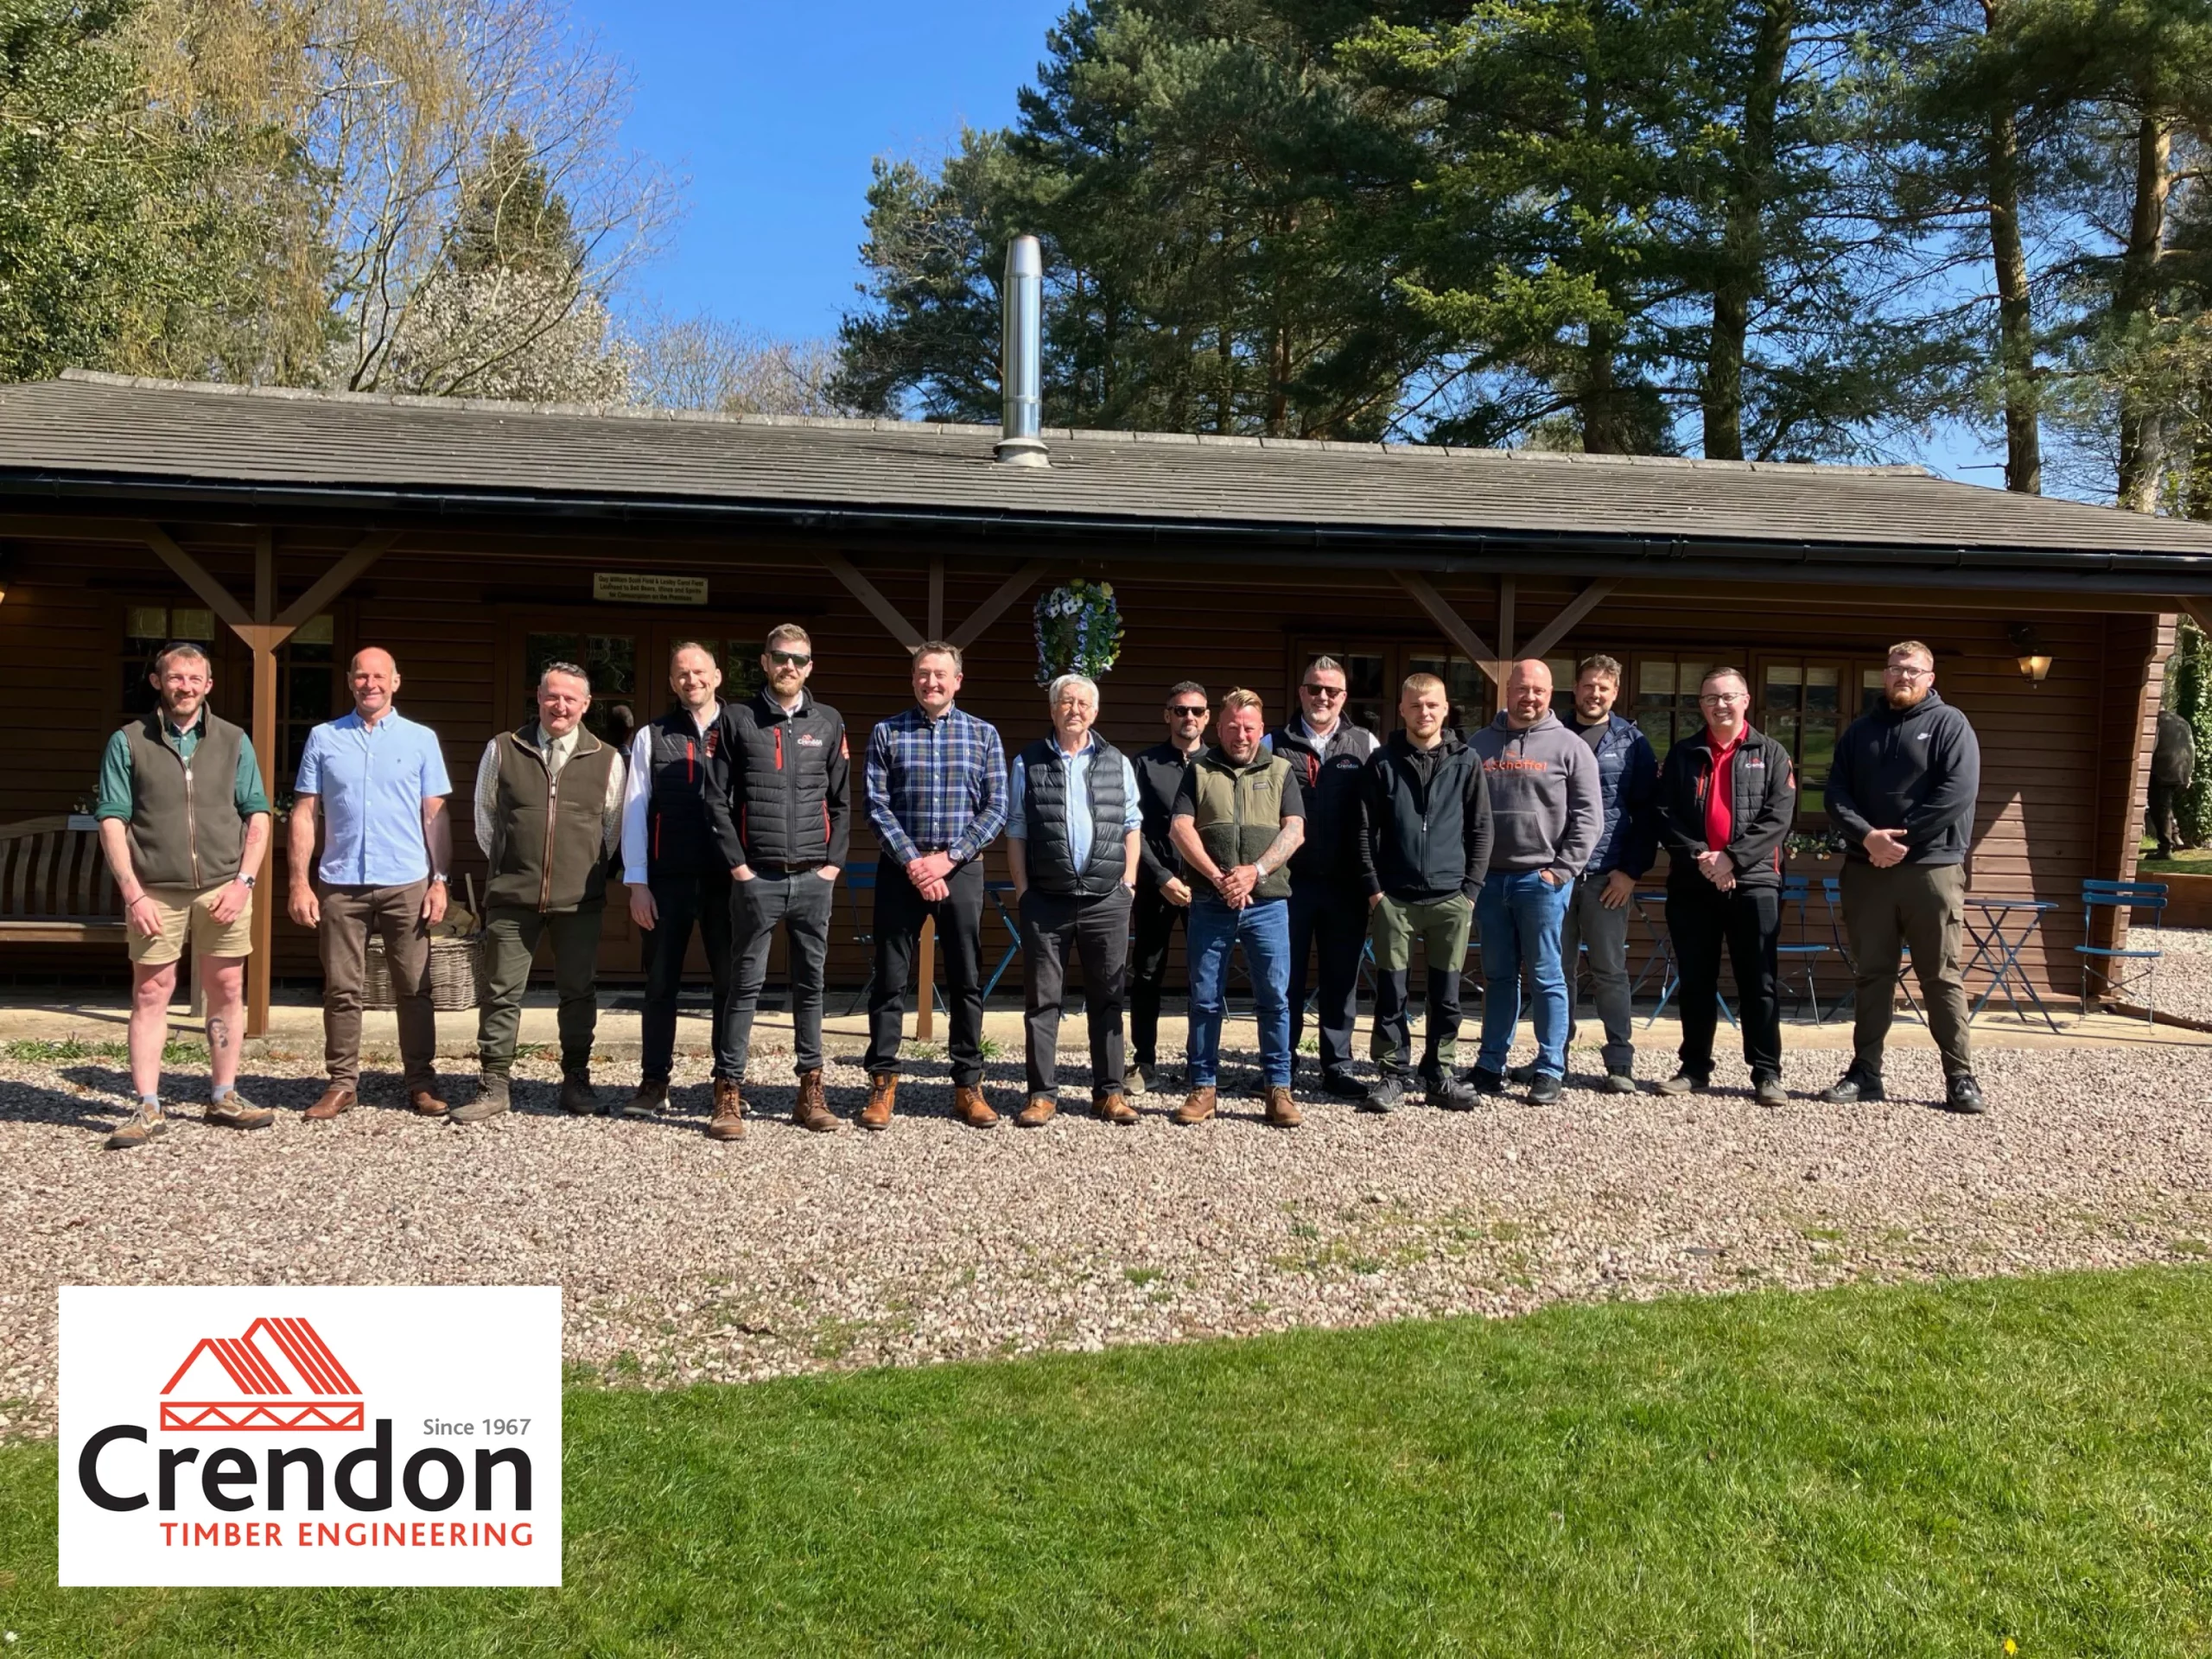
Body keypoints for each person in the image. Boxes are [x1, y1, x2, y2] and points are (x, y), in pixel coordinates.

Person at [93, 642, 276, 1148]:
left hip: (223, 886)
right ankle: (148, 1105)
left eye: (195, 678)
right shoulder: (128, 742)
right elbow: (112, 819)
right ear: (157, 681)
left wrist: (244, 883)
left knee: (226, 988)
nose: (185, 687)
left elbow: (256, 814)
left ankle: (223, 1094)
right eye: (176, 677)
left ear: (209, 685)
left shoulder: (234, 740)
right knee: (151, 992)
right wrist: (132, 893)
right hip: (154, 891)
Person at [454, 662, 626, 1122]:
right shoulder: (504, 748)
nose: (561, 706)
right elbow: (485, 816)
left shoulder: (608, 758)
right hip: (513, 896)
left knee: (578, 992)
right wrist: (514, 863)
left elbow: (612, 829)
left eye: (571, 698)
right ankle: (494, 1083)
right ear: (538, 697)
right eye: (553, 696)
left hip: (579, 900)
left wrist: (579, 871)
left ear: (586, 705)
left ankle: (576, 1079)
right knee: (500, 992)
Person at [288, 646, 454, 1122]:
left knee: (415, 988)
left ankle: (421, 1083)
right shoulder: (323, 738)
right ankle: (342, 1084)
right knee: (341, 988)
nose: (370, 684)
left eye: (379, 676)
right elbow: (304, 812)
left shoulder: (421, 739)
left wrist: (439, 880)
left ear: (396, 681)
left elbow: (435, 815)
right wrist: (299, 882)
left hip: (407, 880)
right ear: (350, 681)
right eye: (361, 676)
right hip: (341, 882)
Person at [1821, 639, 1986, 1114]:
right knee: (1873, 975)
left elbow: (1957, 792)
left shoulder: (1950, 725)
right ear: (1885, 675)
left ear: (1930, 678)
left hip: (1931, 870)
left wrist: (1902, 840)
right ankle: (1865, 1072)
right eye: (1895, 668)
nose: (1903, 677)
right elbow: (1835, 793)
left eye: (1913, 670)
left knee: (1940, 975)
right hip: (1866, 869)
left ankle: (1960, 1077)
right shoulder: (1860, 732)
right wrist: (1869, 837)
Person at [704, 625, 850, 1140]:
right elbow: (716, 800)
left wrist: (832, 865)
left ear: (811, 666)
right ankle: (728, 1093)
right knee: (744, 986)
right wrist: (739, 868)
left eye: (800, 659)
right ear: (765, 662)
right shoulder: (737, 719)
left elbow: (841, 801)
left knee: (811, 986)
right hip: (757, 878)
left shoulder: (828, 722)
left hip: (813, 877)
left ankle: (810, 1090)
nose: (790, 666)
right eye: (781, 658)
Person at [861, 640, 1007, 1130]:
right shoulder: (887, 732)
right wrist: (915, 863)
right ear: (913, 680)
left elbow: (996, 809)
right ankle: (883, 1084)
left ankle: (968, 1085)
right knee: (889, 979)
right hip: (901, 869)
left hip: (960, 868)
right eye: (924, 674)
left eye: (941, 675)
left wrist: (948, 859)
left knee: (967, 979)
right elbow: (876, 806)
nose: (932, 682)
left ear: (958, 680)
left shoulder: (984, 735)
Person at [1653, 666, 1796, 1107]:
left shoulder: (1771, 754)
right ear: (1701, 705)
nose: (1720, 705)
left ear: (1746, 700)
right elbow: (1664, 814)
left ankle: (1766, 1073)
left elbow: (1779, 817)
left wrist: (1732, 857)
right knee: (1696, 980)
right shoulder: (1683, 754)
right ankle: (1694, 1068)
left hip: (1754, 883)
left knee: (1759, 981)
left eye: (1729, 696)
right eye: (1711, 698)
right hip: (1694, 883)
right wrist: (1705, 857)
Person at [1007, 673, 1142, 1128]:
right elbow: (1017, 831)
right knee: (1043, 1002)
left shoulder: (1117, 761)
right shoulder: (1028, 761)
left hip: (1107, 899)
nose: (1075, 710)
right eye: (1066, 702)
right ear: (1052, 710)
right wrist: (1023, 890)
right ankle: (1042, 1095)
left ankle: (1109, 1094)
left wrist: (1130, 883)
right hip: (1046, 900)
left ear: (1095, 712)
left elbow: (1131, 824)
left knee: (1108, 997)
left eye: (1083, 703)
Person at [1168, 688, 1306, 1128]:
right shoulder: (1199, 770)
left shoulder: (1282, 770)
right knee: (1205, 999)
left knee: (1274, 1000)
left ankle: (1278, 1088)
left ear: (1261, 730)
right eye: (1232, 727)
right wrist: (1218, 877)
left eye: (1248, 727)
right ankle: (1203, 1087)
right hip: (1211, 902)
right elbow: (1180, 827)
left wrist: (1256, 872)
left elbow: (1295, 830)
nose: (1240, 735)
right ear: (1218, 727)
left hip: (1268, 905)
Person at [1467, 660, 1602, 1103]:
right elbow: (1463, 814)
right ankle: (1490, 1064)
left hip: (1541, 881)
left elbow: (1589, 818)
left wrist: (1559, 872)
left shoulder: (1569, 746)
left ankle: (1550, 1067)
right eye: (1523, 689)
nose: (1530, 697)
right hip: (1489, 883)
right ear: (1507, 690)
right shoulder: (1479, 745)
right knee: (1499, 976)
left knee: (1547, 976)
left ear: (1551, 694)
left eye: (1539, 691)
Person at [1357, 673, 1492, 1111]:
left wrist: (1470, 891)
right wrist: (1375, 890)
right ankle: (1393, 1073)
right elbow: (1363, 831)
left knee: (1446, 994)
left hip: (1450, 899)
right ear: (1402, 709)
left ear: (1446, 708)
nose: (1424, 713)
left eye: (1432, 705)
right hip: (1394, 899)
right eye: (1415, 705)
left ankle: (1439, 1072)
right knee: (1392, 992)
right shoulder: (1382, 763)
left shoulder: (1467, 761)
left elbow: (1481, 829)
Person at [620, 641, 731, 1124]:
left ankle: (727, 1083)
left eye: (699, 671)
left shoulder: (739, 729)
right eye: (682, 673)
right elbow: (635, 810)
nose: (692, 680)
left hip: (728, 880)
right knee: (660, 983)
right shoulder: (652, 735)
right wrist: (637, 881)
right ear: (671, 682)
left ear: (718, 676)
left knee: (730, 985)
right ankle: (654, 1081)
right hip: (667, 880)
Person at [1269, 655, 1381, 1098]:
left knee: (1340, 979)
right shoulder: (1273, 742)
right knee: (1286, 979)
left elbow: (1379, 814)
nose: (1322, 697)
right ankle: (1283, 1066)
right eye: (1314, 689)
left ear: (1343, 697)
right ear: (1301, 693)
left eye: (1331, 691)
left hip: (1346, 885)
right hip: (1288, 884)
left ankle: (1336, 1066)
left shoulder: (1364, 743)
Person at [1554, 653, 1658, 1092]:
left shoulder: (1632, 742)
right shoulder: (1549, 734)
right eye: (1588, 685)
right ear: (1575, 688)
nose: (1595, 693)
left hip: (1606, 876)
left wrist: (1630, 872)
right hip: (1555, 874)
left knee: (1610, 969)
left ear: (1614, 693)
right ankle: (1552, 1058)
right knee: (1554, 971)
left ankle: (1619, 1063)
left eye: (1604, 687)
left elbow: (1647, 813)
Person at [1128, 682, 1208, 1094]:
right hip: (1155, 886)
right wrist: (1162, 878)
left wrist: (1204, 878)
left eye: (1196, 711)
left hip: (1207, 888)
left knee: (1205, 978)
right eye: (1180, 710)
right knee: (1146, 974)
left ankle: (1202, 1067)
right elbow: (1132, 828)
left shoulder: (1221, 764)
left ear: (1207, 717)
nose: (1188, 718)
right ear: (1167, 715)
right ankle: (1144, 1062)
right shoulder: (1144, 764)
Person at [2151, 708, 2195, 859]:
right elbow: (2191, 747)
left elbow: (2152, 745)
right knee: (2165, 803)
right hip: (2181, 768)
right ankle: (2175, 837)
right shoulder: (2182, 721)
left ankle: (2165, 848)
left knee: (2159, 807)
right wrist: (2188, 773)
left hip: (2163, 768)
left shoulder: (2157, 721)